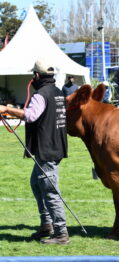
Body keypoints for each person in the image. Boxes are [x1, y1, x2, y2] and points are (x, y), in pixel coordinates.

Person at [0, 58, 69, 244]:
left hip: (46, 149)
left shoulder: (41, 94)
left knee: (49, 191)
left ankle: (61, 233)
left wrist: (6, 109)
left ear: (37, 75)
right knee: (36, 184)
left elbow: (31, 116)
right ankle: (47, 225)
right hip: (56, 146)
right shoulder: (57, 92)